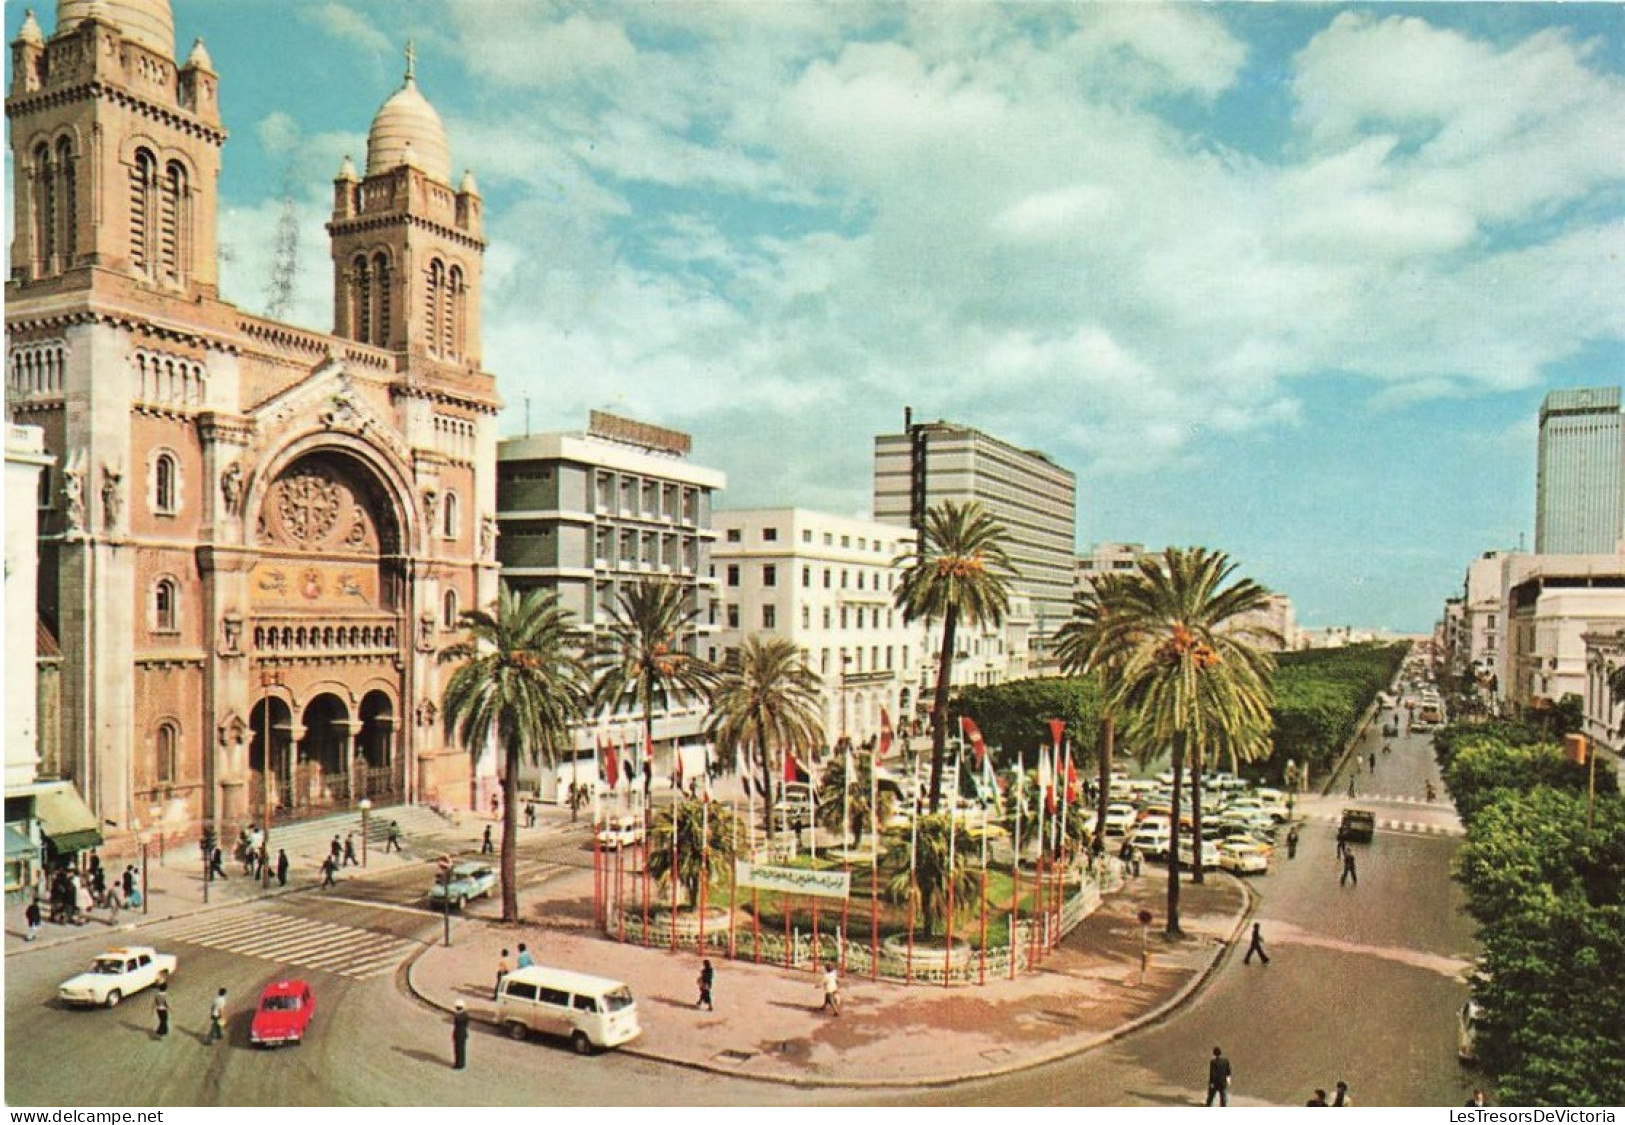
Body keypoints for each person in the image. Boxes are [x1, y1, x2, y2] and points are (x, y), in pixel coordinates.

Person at [452, 1000, 469, 1070]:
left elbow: (457, 1024)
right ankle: (462, 1063)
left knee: (458, 1050)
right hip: (463, 1034)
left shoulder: (458, 1017)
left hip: (459, 1034)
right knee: (462, 1050)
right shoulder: (465, 1015)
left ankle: (458, 1064)